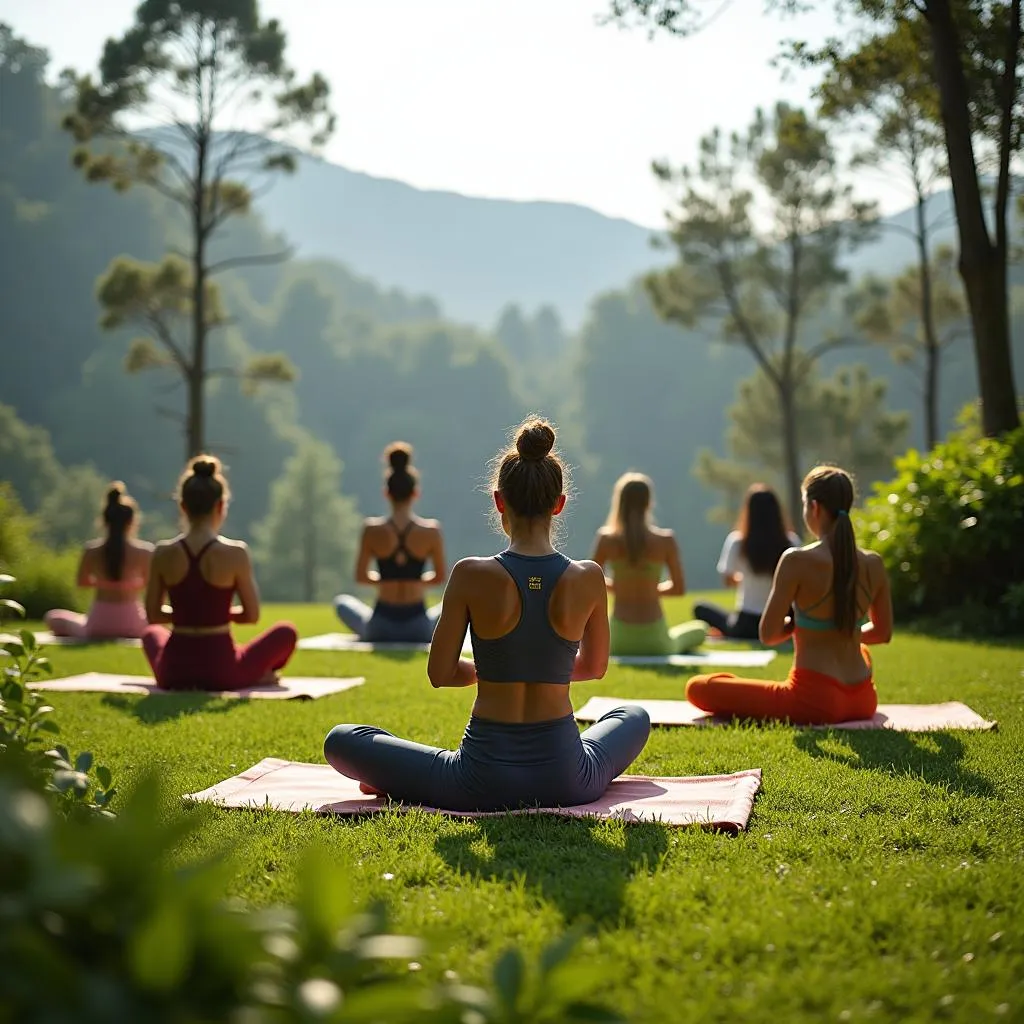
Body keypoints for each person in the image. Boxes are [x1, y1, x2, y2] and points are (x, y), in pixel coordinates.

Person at [323, 418, 651, 812]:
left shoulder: (470, 575)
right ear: (559, 503)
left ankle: (394, 777)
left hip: (478, 781)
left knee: (342, 739)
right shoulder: (589, 577)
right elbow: (595, 667)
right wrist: (539, 667)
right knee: (633, 714)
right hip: (568, 778)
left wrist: (494, 669)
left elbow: (440, 674)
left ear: (499, 501)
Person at [686, 465, 893, 725]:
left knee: (699, 688)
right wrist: (842, 633)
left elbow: (769, 634)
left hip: (814, 701)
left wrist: (797, 627)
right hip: (863, 699)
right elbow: (883, 633)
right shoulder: (873, 563)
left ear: (814, 507)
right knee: (862, 652)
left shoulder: (797, 560)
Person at [142, 455, 297, 690]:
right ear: (221, 506)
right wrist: (216, 615)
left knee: (152, 633)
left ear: (182, 506)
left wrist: (190, 616)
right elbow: (251, 615)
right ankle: (258, 675)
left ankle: (253, 673)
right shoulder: (236, 553)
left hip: (173, 672)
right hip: (223, 673)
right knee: (287, 631)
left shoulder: (162, 553)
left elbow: (153, 615)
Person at [333, 442, 447, 644]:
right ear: (415, 493)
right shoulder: (431, 531)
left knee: (342, 603)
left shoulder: (371, 529)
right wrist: (414, 581)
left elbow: (361, 577)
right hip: (418, 627)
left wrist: (387, 581)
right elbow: (439, 577)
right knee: (452, 606)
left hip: (380, 626)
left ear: (386, 492)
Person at [590, 472, 706, 656]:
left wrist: (621, 587)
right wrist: (650, 589)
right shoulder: (666, 540)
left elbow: (592, 582)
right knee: (700, 628)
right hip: (656, 642)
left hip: (617, 640)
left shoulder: (606, 539)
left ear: (619, 502)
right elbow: (679, 589)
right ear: (649, 503)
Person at [44, 482, 153, 639]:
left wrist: (104, 583)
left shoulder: (92, 550)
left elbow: (82, 582)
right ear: (132, 522)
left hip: (98, 624)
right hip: (134, 625)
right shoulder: (144, 552)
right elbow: (149, 584)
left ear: (105, 520)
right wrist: (126, 585)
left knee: (53, 617)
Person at [694, 484, 802, 641]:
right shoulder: (792, 542)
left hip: (745, 625)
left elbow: (728, 581)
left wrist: (747, 579)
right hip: (780, 623)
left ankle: (723, 633)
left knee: (700, 608)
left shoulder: (737, 542)